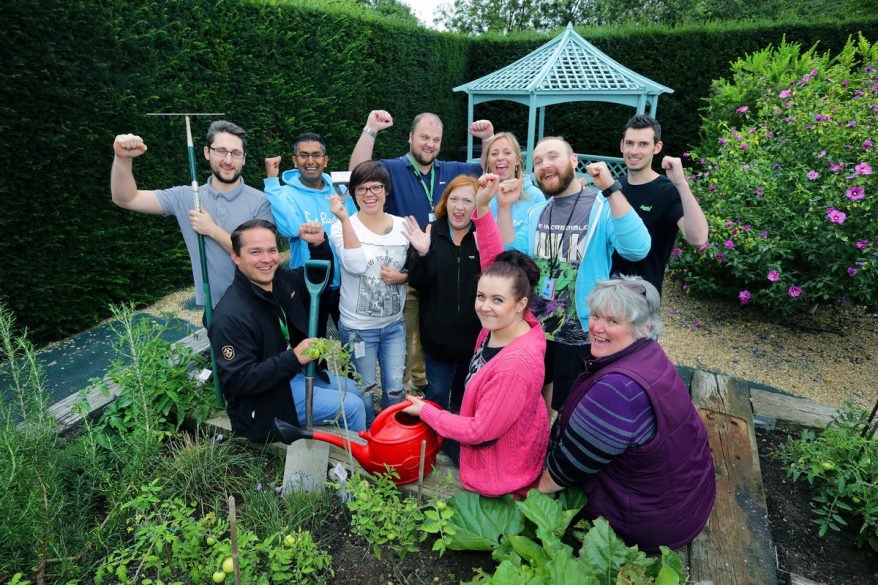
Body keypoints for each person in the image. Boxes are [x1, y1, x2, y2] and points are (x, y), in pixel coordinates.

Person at [537, 276, 715, 552]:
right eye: (596, 315)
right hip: (685, 504)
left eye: (613, 321)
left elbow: (568, 467)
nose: (597, 327)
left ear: (643, 328)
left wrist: (534, 497)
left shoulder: (618, 389)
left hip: (650, 526)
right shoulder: (651, 354)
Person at [402, 176, 548, 498]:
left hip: (497, 468)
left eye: (497, 300)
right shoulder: (503, 324)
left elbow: (479, 431)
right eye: (481, 296)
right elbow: (494, 263)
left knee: (442, 430)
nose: (484, 306)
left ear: (521, 303)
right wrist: (482, 207)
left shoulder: (514, 365)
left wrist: (427, 411)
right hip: (505, 443)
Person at [499, 136, 650, 412]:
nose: (545, 165)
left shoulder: (601, 208)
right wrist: (506, 207)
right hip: (535, 329)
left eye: (553, 156)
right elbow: (511, 253)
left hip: (581, 332)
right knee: (530, 397)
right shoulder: (536, 212)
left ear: (573, 160)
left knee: (573, 406)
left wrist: (612, 189)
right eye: (538, 161)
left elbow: (637, 249)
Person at [348, 110, 494, 393]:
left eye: (436, 139)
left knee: (433, 331)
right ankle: (398, 390)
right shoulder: (391, 167)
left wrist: (487, 139)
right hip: (403, 270)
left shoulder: (450, 170)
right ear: (411, 137)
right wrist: (370, 130)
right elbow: (359, 172)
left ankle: (425, 383)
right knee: (402, 335)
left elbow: (485, 172)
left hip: (440, 270)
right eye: (424, 137)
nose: (429, 144)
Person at [207, 219, 369, 442]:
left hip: (294, 374)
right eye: (255, 252)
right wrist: (293, 358)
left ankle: (373, 442)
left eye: (272, 250)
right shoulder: (229, 315)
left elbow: (317, 278)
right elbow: (238, 381)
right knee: (352, 407)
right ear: (236, 257)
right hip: (267, 399)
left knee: (357, 390)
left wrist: (318, 245)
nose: (267, 259)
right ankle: (358, 466)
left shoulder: (279, 279)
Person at [111, 120, 273, 309]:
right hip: (214, 310)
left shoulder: (261, 201)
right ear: (207, 153)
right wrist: (123, 159)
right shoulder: (185, 197)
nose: (228, 160)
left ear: (244, 158)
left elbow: (260, 256)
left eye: (236, 153)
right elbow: (126, 199)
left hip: (259, 304)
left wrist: (212, 229)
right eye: (220, 151)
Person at [330, 161, 409, 410]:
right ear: (353, 193)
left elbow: (419, 268)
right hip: (358, 329)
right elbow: (354, 265)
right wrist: (344, 218)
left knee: (396, 387)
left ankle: (390, 434)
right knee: (364, 388)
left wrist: (403, 277)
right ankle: (365, 436)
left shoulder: (403, 227)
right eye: (361, 189)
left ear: (387, 191)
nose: (369, 194)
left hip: (394, 324)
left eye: (375, 187)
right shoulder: (341, 226)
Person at [264, 132, 358, 334]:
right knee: (312, 352)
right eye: (304, 155)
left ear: (325, 160)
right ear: (295, 160)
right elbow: (289, 228)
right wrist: (272, 182)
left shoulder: (340, 191)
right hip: (308, 285)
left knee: (352, 347)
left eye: (316, 155)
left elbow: (355, 227)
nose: (311, 161)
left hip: (345, 284)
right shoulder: (286, 193)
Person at [404, 175, 482, 411]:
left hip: (473, 340)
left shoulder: (482, 235)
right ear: (445, 202)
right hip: (438, 340)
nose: (459, 207)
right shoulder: (431, 233)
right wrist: (422, 255)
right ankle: (433, 442)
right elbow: (418, 283)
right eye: (454, 199)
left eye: (467, 201)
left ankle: (456, 442)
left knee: (464, 397)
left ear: (477, 205)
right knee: (437, 393)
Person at [611, 115, 708, 296]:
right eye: (630, 143)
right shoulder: (613, 188)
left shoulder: (667, 191)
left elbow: (698, 238)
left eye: (643, 144)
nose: (634, 150)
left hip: (643, 299)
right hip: (606, 295)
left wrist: (681, 184)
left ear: (657, 147)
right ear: (621, 145)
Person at [484, 132, 546, 245]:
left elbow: (540, 241)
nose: (500, 158)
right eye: (494, 154)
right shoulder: (483, 196)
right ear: (488, 162)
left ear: (518, 160)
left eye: (507, 153)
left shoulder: (535, 196)